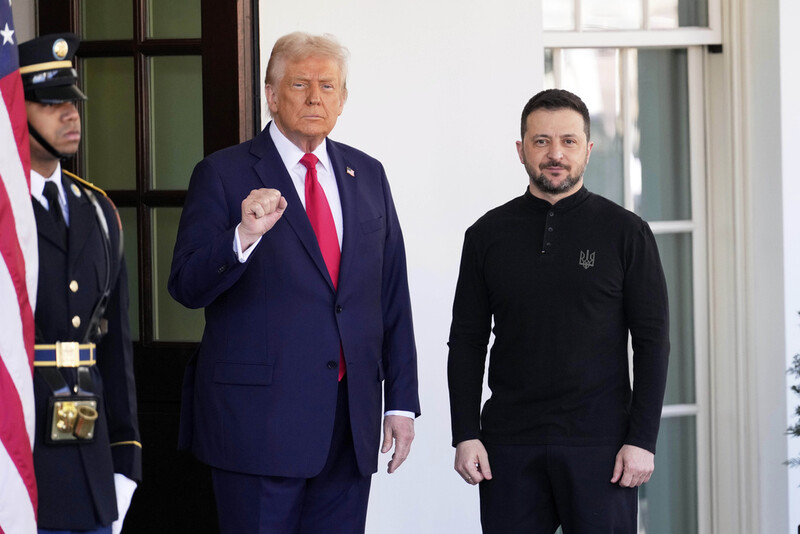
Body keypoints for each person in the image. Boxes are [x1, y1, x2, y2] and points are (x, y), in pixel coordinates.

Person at [168, 31, 420, 533]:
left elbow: (391, 293)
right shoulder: (222, 174)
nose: (314, 97)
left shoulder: (367, 174)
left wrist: (401, 402)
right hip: (257, 427)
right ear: (271, 93)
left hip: (350, 425)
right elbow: (186, 285)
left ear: (343, 99)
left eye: (327, 86)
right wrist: (241, 236)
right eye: (300, 83)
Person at [447, 88, 670, 533]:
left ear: (588, 149)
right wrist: (465, 433)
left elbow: (652, 343)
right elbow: (468, 341)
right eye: (541, 141)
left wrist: (641, 440)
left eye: (568, 141)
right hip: (509, 446)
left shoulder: (627, 233)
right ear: (521, 150)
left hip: (602, 446)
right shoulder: (486, 235)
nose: (555, 154)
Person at [20, 33, 141, 534]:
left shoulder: (98, 211)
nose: (71, 114)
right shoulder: (7, 213)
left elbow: (114, 350)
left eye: (72, 100)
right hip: (18, 465)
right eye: (51, 103)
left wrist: (124, 462)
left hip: (91, 468)